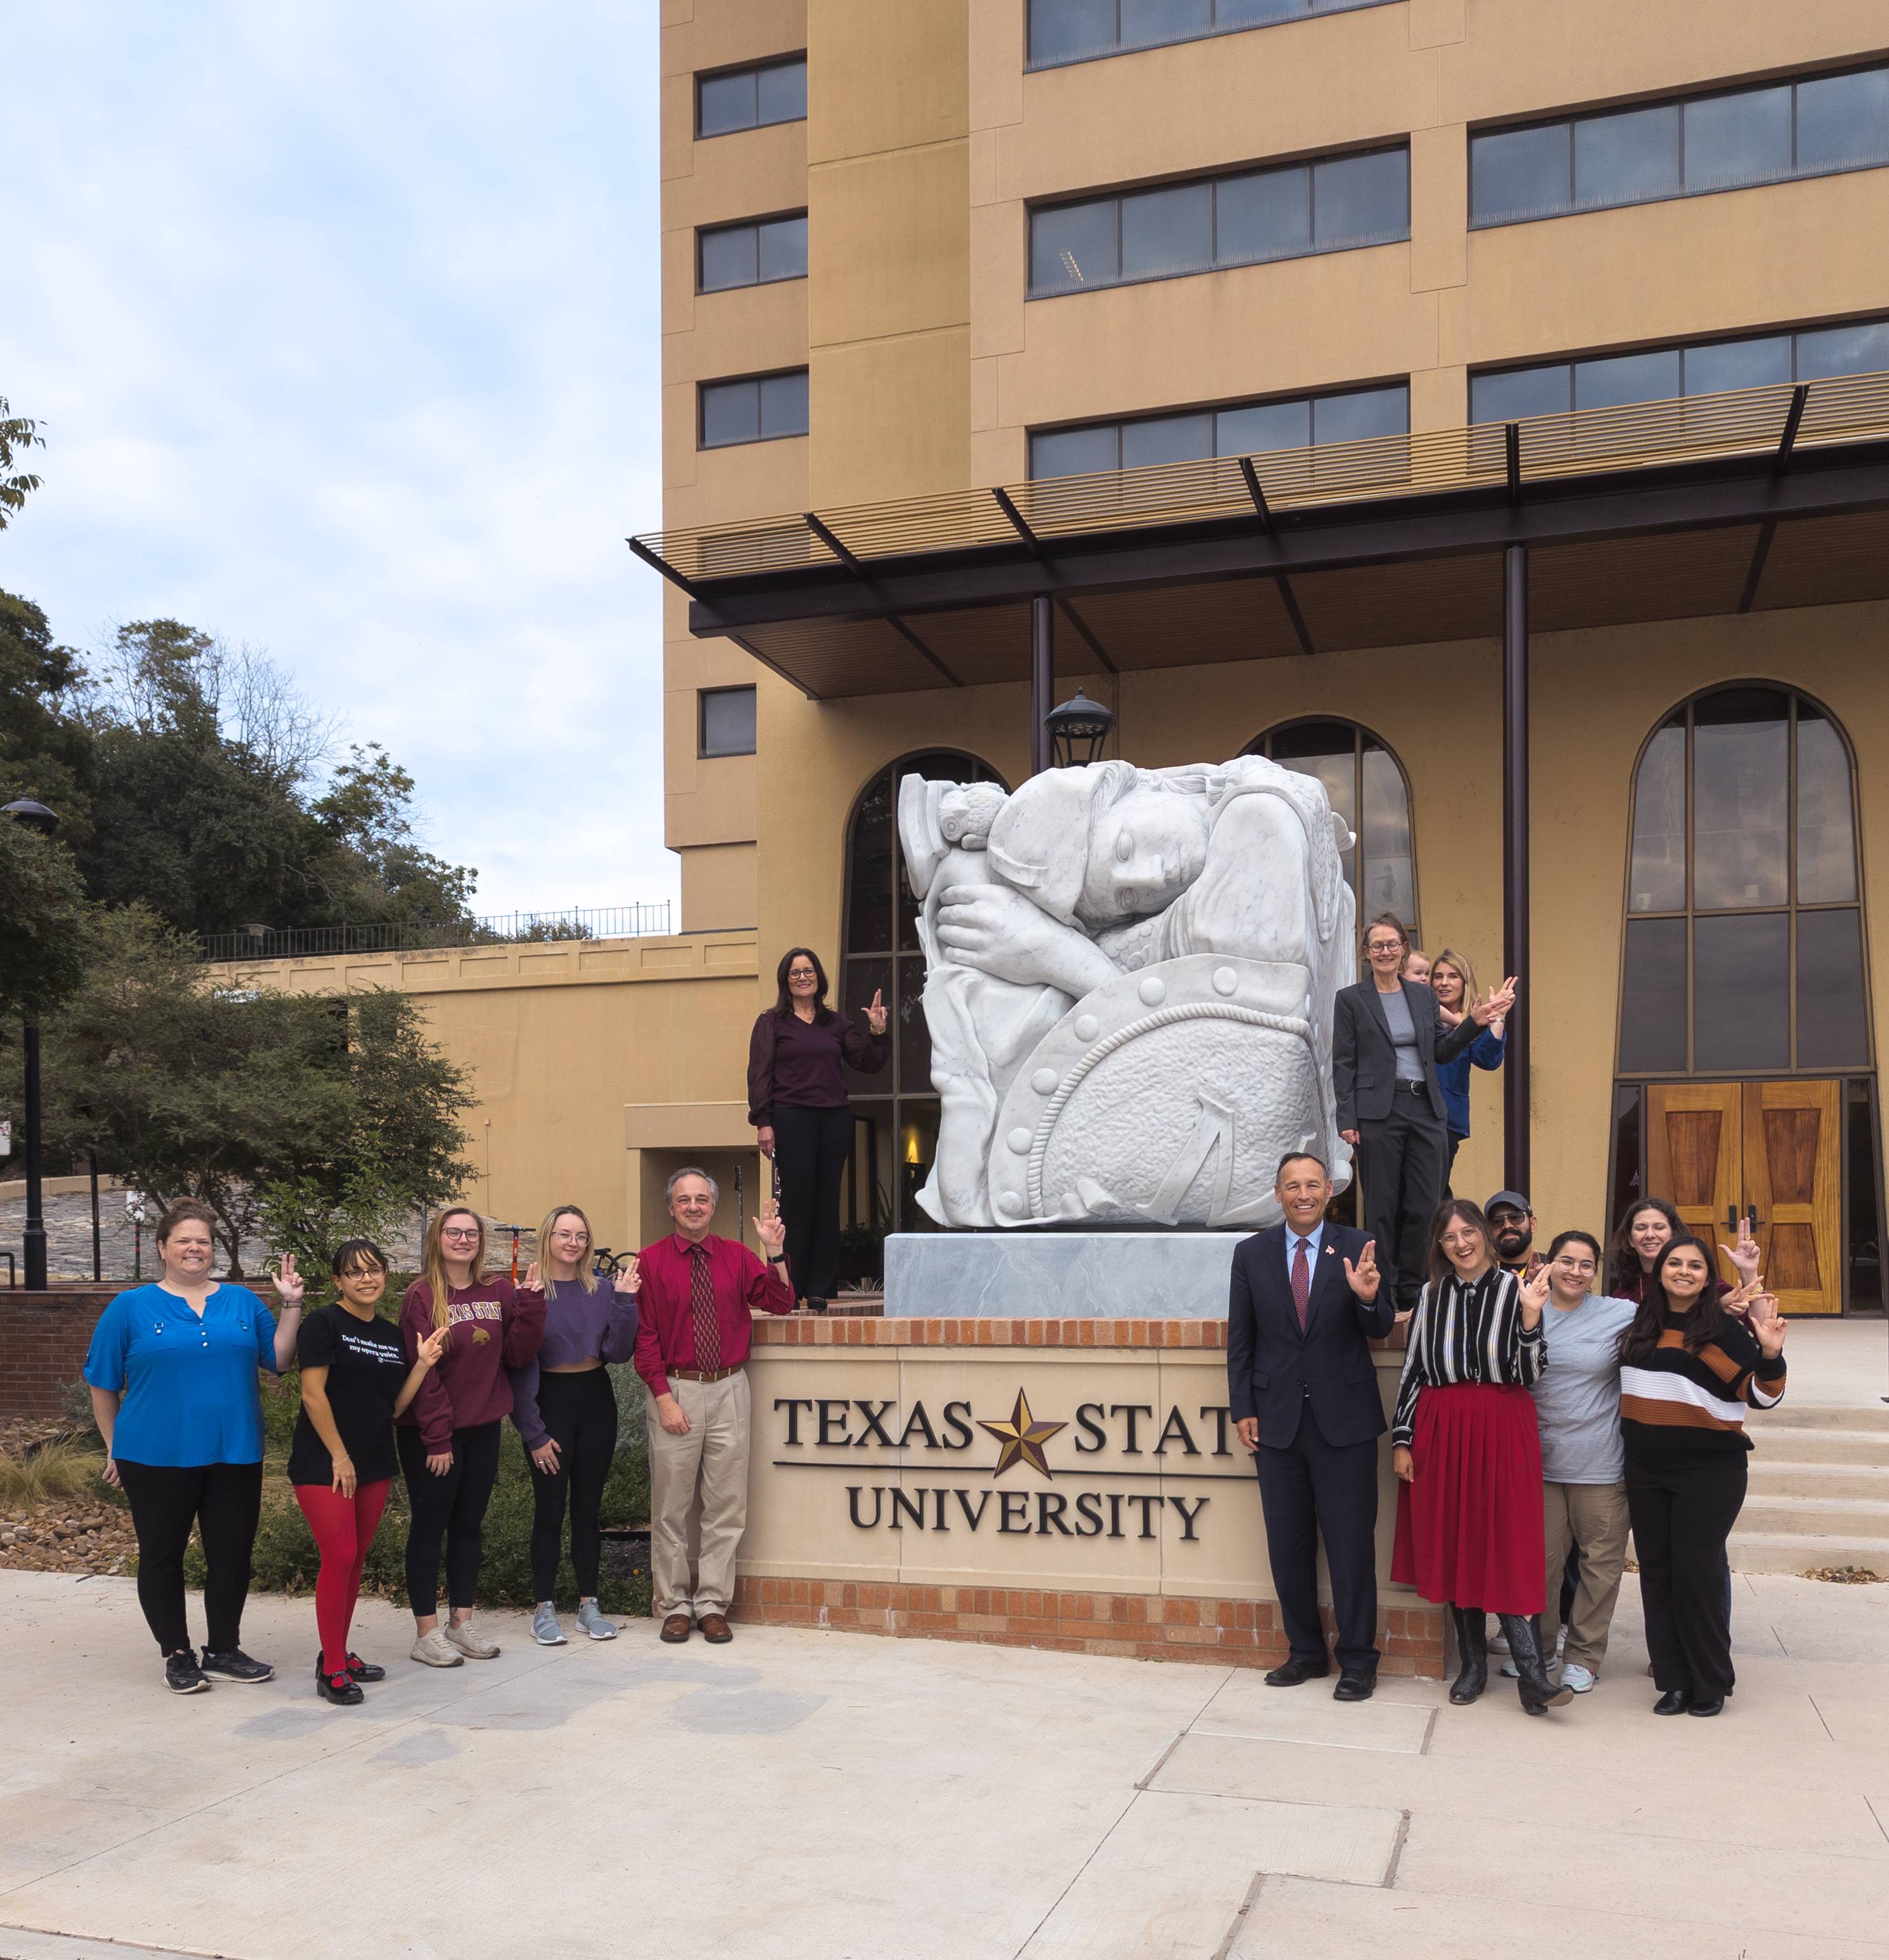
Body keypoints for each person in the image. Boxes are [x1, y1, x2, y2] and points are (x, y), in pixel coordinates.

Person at [83, 1199, 305, 1695]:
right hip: (153, 1456)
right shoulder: (130, 1307)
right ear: (162, 1248)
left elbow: (281, 1360)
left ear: (213, 1251)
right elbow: (102, 1382)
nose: (194, 1248)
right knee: (163, 1556)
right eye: (183, 1240)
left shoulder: (244, 1302)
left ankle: (224, 1649)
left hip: (235, 1451)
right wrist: (113, 1445)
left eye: (202, 1241)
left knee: (231, 1555)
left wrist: (290, 1304)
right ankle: (177, 1654)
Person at [1390, 1199, 1571, 1714]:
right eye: (1449, 1238)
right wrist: (1403, 1438)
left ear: (1486, 1237)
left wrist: (1533, 1317)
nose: (1461, 1244)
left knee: (1509, 1541)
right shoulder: (1429, 1295)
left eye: (1468, 1233)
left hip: (1501, 1422)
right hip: (1442, 1425)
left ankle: (1533, 1676)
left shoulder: (1519, 1291)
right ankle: (1473, 1666)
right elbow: (1414, 1372)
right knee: (1455, 1541)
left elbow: (1532, 1372)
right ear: (1440, 1246)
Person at [1228, 1152, 1393, 1701]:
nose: (1303, 1194)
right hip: (1276, 1425)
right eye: (1292, 1186)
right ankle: (1304, 1653)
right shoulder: (1251, 1254)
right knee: (1288, 1544)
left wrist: (1368, 1299)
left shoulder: (1358, 1245)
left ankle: (1358, 1661)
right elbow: (1242, 1341)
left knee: (1350, 1547)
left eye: (1313, 1184)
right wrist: (1242, 1407)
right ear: (1277, 1194)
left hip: (1343, 1423)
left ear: (1329, 1192)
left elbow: (1380, 1323)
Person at [1621, 1237, 1787, 1716]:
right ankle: (1673, 1681)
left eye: (1695, 1265)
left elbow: (1764, 1396)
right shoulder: (1641, 1325)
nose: (1684, 1271)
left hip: (1710, 1472)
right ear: (1660, 1272)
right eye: (1675, 1263)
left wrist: (1771, 1354)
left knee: (1698, 1575)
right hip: (1646, 1469)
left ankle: (1709, 1682)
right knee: (1657, 1574)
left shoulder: (1720, 1329)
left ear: (1706, 1275)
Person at [635, 1168, 794, 1643]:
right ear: (671, 1208)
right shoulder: (652, 1261)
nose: (694, 1207)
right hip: (676, 1389)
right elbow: (644, 1338)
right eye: (684, 1199)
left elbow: (781, 1302)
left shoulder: (737, 1257)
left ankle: (711, 1604)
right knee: (671, 1508)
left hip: (730, 1389)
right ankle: (675, 1605)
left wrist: (775, 1252)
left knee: (726, 1506)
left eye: (702, 1199)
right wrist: (663, 1398)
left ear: (713, 1206)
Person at [289, 1240, 447, 1706]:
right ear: (338, 1280)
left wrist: (421, 1365)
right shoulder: (323, 1324)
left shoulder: (388, 1333)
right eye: (354, 1272)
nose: (366, 1279)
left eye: (374, 1270)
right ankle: (332, 1669)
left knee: (355, 1559)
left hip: (375, 1461)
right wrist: (339, 1456)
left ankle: (336, 1652)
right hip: (326, 1464)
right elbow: (312, 1394)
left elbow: (395, 1405)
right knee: (338, 1556)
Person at [1333, 914, 1515, 1313]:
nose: (1385, 951)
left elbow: (1441, 1050)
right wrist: (1346, 1118)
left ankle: (1413, 1290)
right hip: (1378, 1110)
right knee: (1383, 1205)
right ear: (1367, 953)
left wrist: (1475, 1023)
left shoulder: (1422, 997)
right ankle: (1384, 1287)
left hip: (1427, 1109)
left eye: (1393, 944)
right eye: (1377, 945)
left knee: (1425, 1203)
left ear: (1403, 949)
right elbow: (1344, 1062)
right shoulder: (1351, 999)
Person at [397, 1207, 546, 1667]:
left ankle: (460, 1623)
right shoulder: (421, 1297)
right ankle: (426, 1631)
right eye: (453, 1232)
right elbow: (424, 1373)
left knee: (468, 1527)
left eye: (471, 1233)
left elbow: (518, 1357)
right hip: (432, 1435)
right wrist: (438, 1437)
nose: (463, 1240)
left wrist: (533, 1305)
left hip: (482, 1429)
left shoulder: (498, 1290)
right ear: (437, 1239)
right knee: (429, 1527)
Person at [509, 1205, 642, 1648]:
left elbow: (620, 1352)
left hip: (596, 1401)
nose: (573, 1243)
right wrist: (533, 1431)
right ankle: (543, 1609)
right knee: (549, 1511)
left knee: (588, 1511)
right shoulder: (529, 1292)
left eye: (581, 1235)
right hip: (550, 1404)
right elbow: (519, 1365)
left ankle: (589, 1606)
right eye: (564, 1234)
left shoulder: (601, 1290)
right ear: (547, 1238)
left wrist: (625, 1300)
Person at [748, 946, 888, 1311]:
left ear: (819, 976)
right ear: (786, 981)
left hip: (835, 1119)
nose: (803, 977)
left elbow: (868, 1063)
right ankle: (790, 1287)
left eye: (808, 971)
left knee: (828, 1202)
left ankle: (821, 1288)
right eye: (795, 973)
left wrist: (877, 1030)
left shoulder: (836, 1023)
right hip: (792, 1119)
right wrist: (763, 1121)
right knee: (796, 1202)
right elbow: (759, 1075)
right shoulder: (771, 1022)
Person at [1528, 1231, 1636, 1694]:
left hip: (1600, 1464)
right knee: (1542, 1565)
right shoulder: (1526, 1310)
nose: (1575, 1271)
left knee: (1600, 1566)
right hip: (1541, 1464)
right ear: (1549, 1264)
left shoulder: (1619, 1313)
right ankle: (1540, 1646)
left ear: (1596, 1271)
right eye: (1566, 1261)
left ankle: (1585, 1656)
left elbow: (1681, 1313)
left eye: (1586, 1264)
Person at [1429, 948, 1505, 1195]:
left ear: (1465, 982)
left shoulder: (1472, 1020)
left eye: (1453, 976)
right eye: (1438, 976)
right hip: (1412, 1111)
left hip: (1447, 1116)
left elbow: (1488, 1060)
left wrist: (1498, 1019)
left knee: (1435, 1187)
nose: (1444, 983)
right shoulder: (1422, 1016)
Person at [1606, 1198, 1759, 1303]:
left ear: (1673, 1234)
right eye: (1641, 1228)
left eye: (1659, 1227)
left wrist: (1749, 1272)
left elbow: (1759, 1327)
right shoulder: (1624, 1294)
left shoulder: (1696, 1279)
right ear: (1630, 1240)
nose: (1650, 1235)